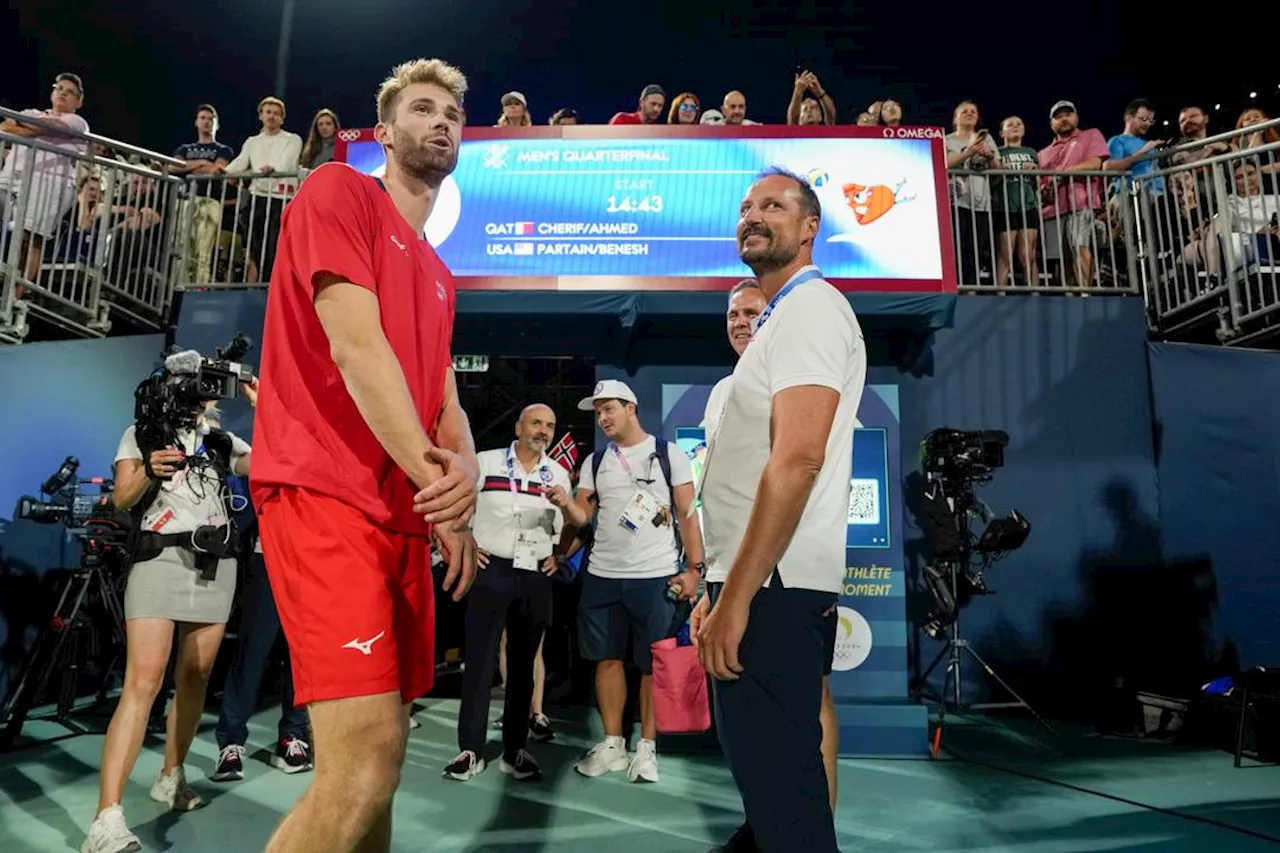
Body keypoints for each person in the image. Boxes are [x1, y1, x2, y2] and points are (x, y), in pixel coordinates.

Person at [249, 58, 481, 853]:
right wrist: (435, 478)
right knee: (364, 761)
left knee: (378, 779)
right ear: (384, 133)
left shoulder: (440, 273)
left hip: (401, 518)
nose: (441, 120)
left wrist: (462, 488)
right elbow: (355, 346)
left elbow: (442, 399)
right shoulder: (339, 193)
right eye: (422, 108)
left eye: (453, 111)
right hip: (326, 493)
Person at [694, 167, 866, 853]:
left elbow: (797, 459)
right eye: (745, 206)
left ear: (808, 228)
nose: (753, 214)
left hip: (772, 592)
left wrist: (735, 597)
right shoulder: (781, 320)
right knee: (770, 805)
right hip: (756, 587)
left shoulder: (812, 309)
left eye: (773, 204)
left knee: (786, 809)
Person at [82, 387, 257, 853]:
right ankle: (106, 819)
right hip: (159, 559)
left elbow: (269, 467)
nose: (196, 397)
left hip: (216, 564)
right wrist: (150, 470)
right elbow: (122, 498)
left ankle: (170, 777)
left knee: (196, 677)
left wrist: (267, 409)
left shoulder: (221, 441)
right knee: (145, 681)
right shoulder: (141, 434)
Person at [702, 276, 843, 838]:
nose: (742, 321)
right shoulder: (725, 392)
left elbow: (804, 467)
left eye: (754, 311)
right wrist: (713, 580)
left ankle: (813, 827)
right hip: (734, 573)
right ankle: (781, 831)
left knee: (804, 714)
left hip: (783, 578)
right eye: (733, 314)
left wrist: (735, 594)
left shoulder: (805, 368)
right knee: (761, 750)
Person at [554, 380, 705, 784]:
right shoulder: (595, 462)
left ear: (631, 408)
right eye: (598, 412)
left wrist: (695, 570)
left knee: (652, 666)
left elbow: (688, 516)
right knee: (606, 660)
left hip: (655, 577)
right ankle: (614, 745)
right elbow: (583, 519)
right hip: (602, 576)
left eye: (609, 409)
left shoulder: (669, 454)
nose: (602, 418)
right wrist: (566, 506)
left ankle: (647, 750)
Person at [446, 404, 572, 782]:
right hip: (492, 570)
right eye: (536, 423)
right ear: (518, 427)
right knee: (480, 664)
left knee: (522, 669)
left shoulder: (559, 473)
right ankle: (469, 749)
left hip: (534, 573)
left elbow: (568, 522)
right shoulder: (484, 462)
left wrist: (560, 555)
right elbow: (458, 505)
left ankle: (515, 749)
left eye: (550, 425)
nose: (543, 431)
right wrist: (463, 538)